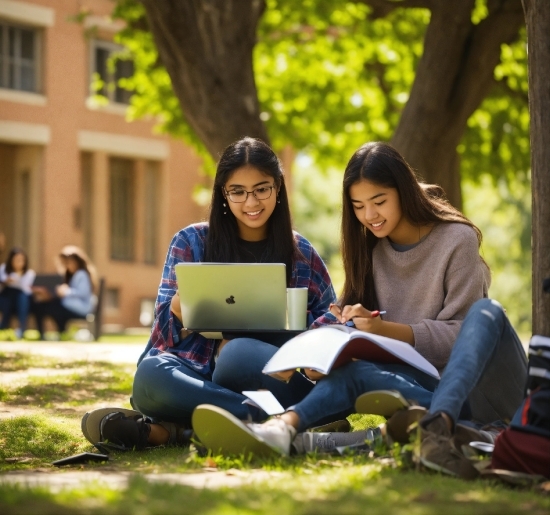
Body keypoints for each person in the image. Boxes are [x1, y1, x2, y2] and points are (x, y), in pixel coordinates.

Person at [192, 141, 499, 456]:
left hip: (456, 392)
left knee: (361, 378)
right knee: (348, 372)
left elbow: (466, 333)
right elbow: (350, 320)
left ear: (404, 192)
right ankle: (283, 431)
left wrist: (386, 330)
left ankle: (295, 431)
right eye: (358, 205)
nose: (370, 215)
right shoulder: (372, 248)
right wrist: (315, 355)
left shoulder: (456, 240)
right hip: (405, 380)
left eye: (379, 201)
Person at [81, 137, 337, 452]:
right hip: (194, 374)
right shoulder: (191, 242)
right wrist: (181, 304)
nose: (251, 202)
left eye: (262, 189)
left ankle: (171, 431)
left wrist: (294, 326)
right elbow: (162, 338)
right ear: (223, 194)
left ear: (278, 188)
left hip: (266, 373)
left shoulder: (302, 253)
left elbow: (330, 329)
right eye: (238, 192)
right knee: (150, 375)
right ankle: (269, 422)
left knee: (236, 354)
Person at [32, 245, 96, 340]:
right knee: (44, 305)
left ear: (77, 261)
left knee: (51, 307)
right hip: (69, 306)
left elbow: (83, 293)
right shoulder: (70, 275)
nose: (67, 265)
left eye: (69, 262)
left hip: (81, 308)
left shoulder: (81, 274)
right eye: (65, 263)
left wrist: (66, 292)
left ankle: (59, 332)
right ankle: (56, 333)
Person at [0, 247, 36, 338]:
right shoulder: (3, 269)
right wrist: (5, 282)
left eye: (21, 260)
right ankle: (4, 325)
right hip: (6, 295)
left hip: (22, 297)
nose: (19, 262)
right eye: (16, 260)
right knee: (7, 298)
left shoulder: (30, 273)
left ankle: (22, 327)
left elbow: (27, 289)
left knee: (22, 297)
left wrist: (17, 281)